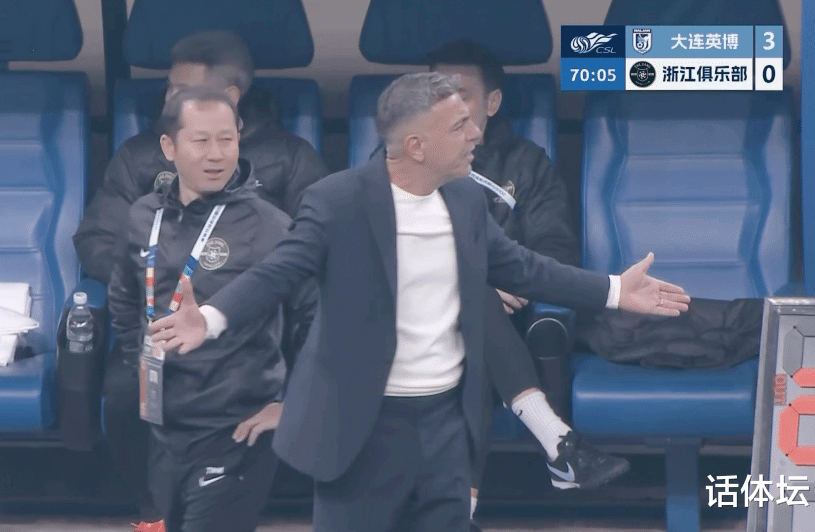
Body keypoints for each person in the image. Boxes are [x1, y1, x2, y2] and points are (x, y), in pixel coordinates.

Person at [149, 72, 691, 532]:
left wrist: (615, 290)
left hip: (444, 423)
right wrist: (210, 318)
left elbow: (525, 268)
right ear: (416, 146)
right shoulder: (338, 201)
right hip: (360, 428)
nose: (475, 134)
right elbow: (278, 273)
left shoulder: (465, 199)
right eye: (458, 126)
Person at [77, 30, 326, 529]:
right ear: (169, 147)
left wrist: (292, 401)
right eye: (201, 142)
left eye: (226, 140)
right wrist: (143, 348)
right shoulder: (143, 213)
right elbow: (123, 293)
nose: (216, 155)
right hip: (165, 404)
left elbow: (317, 310)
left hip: (234, 406)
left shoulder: (272, 220)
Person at [427, 40, 624, 530]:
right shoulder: (405, 155)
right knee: (474, 302)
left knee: (474, 336)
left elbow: (553, 249)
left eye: (462, 94)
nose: (447, 105)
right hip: (412, 312)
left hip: (500, 320)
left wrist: (500, 285)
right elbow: (383, 250)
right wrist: (471, 284)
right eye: (436, 92)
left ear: (491, 103)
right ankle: (557, 443)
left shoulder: (526, 163)